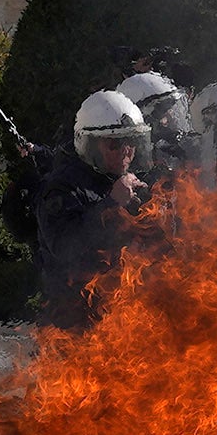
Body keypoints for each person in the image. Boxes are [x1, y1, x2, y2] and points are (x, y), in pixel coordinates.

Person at [29, 87, 156, 329]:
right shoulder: (61, 187)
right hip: (74, 319)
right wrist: (111, 205)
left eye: (131, 142)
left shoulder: (124, 183)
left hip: (121, 313)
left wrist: (153, 210)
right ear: (91, 145)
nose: (125, 151)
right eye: (114, 145)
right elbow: (66, 247)